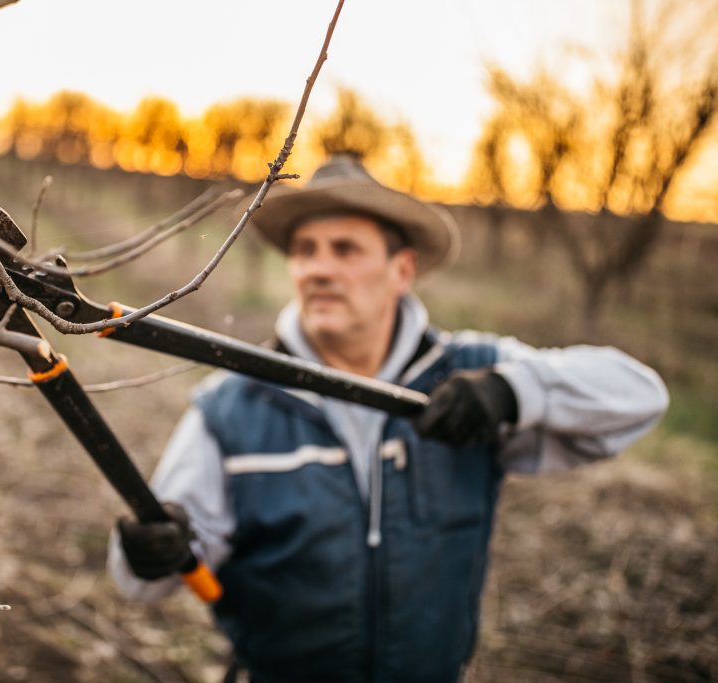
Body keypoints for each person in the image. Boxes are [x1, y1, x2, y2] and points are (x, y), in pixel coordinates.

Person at [106, 154, 669, 683]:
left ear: (402, 270)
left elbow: (640, 396)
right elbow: (140, 585)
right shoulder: (231, 404)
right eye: (305, 250)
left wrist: (513, 391)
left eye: (345, 249)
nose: (318, 270)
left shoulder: (472, 373)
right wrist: (148, 551)